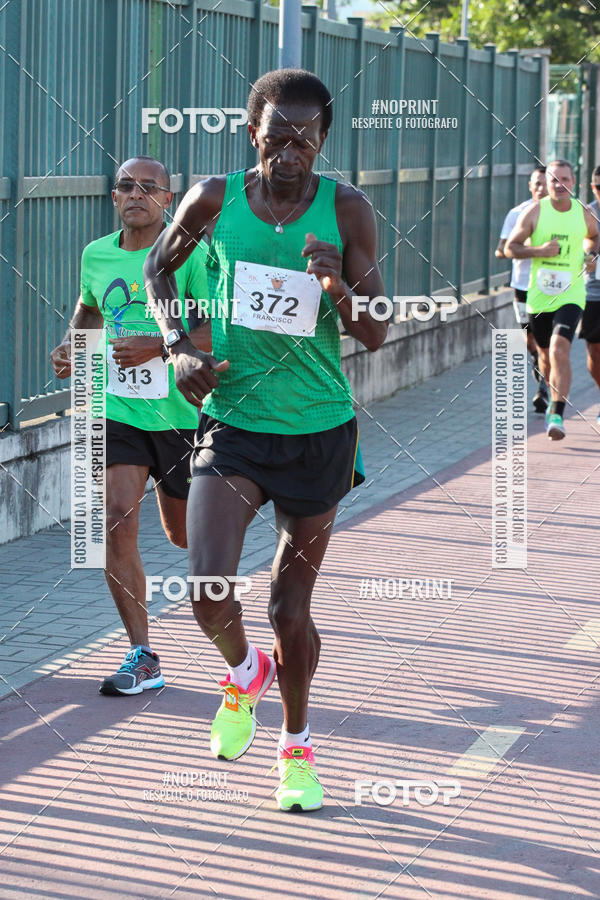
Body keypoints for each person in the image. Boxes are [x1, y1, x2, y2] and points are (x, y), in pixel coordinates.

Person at [143, 69, 387, 812]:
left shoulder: (347, 209)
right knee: (207, 590)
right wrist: (178, 342)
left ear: (323, 140)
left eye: (305, 138)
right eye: (276, 135)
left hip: (319, 431)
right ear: (252, 132)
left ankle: (296, 749)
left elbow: (377, 331)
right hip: (235, 422)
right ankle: (245, 670)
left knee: (290, 607)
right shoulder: (213, 200)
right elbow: (158, 268)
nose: (290, 151)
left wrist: (339, 289)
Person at [50, 156, 211, 695]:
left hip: (181, 412)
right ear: (113, 197)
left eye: (149, 187)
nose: (136, 193)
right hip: (116, 408)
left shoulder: (188, 253)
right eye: (126, 186)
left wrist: (157, 346)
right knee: (116, 517)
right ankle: (143, 653)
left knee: (183, 534)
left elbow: (218, 331)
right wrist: (73, 344)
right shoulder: (95, 254)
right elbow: (89, 308)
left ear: (169, 199)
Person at [505, 159, 599, 440]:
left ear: (574, 182)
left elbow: (594, 237)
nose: (560, 185)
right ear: (546, 184)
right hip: (540, 297)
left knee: (560, 349)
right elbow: (511, 248)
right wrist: (540, 250)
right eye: (554, 180)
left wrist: (590, 255)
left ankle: (557, 412)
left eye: (565, 180)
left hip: (571, 294)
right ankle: (550, 396)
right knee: (545, 358)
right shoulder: (534, 212)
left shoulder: (582, 213)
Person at [495, 166, 549, 412]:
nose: (541, 188)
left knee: (548, 340)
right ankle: (538, 360)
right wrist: (523, 248)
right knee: (530, 339)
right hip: (522, 285)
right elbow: (503, 248)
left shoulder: (563, 214)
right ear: (530, 186)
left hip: (551, 289)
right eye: (536, 183)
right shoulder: (517, 213)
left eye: (545, 183)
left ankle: (544, 389)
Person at [579, 165, 600, 422]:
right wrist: (587, 258)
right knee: (594, 351)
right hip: (594, 292)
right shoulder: (586, 213)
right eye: (598, 187)